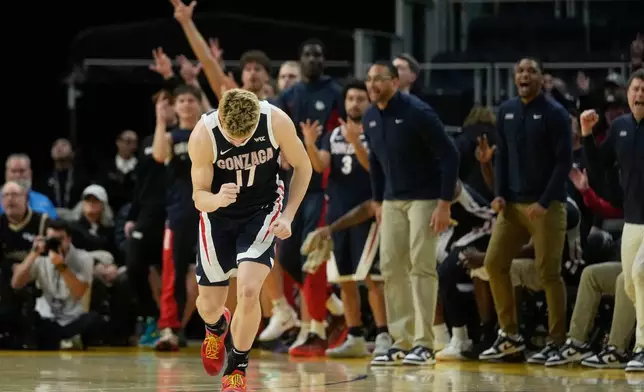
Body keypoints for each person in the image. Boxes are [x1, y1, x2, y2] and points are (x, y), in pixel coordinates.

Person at [188, 88, 312, 390]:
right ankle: (216, 327)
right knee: (208, 304)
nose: (240, 143)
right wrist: (216, 199)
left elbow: (303, 167)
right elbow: (198, 197)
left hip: (261, 210)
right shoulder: (203, 134)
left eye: (245, 138)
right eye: (233, 139)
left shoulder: (276, 121)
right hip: (217, 217)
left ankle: (237, 368)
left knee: (248, 289)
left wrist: (288, 216)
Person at [363, 61, 460, 366]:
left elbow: (449, 155)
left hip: (425, 198)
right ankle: (401, 341)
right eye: (369, 80)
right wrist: (377, 201)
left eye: (379, 79)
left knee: (421, 266)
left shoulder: (418, 111)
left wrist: (444, 203)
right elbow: (376, 162)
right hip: (392, 201)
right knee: (391, 267)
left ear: (394, 81)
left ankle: (425, 343)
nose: (373, 84)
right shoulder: (370, 117)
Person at [479, 57, 572, 363]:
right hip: (513, 206)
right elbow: (502, 157)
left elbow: (563, 164)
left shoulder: (555, 114)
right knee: (493, 264)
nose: (525, 75)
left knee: (549, 273)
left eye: (532, 71)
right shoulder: (505, 111)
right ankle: (510, 335)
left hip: (546, 207)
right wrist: (499, 195)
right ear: (514, 77)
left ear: (542, 78)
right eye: (520, 71)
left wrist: (544, 202)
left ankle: (558, 341)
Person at [300, 79, 390, 358]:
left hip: (367, 212)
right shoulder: (333, 135)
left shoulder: (376, 131)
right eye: (350, 98)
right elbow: (319, 166)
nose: (354, 103)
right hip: (337, 213)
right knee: (346, 278)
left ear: (369, 102)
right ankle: (355, 335)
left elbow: (374, 170)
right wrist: (310, 145)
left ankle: (384, 333)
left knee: (371, 277)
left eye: (360, 99)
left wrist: (356, 142)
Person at [580, 68, 644, 372]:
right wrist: (586, 135)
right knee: (631, 285)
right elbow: (598, 166)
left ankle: (642, 347)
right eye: (635, 90)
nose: (639, 94)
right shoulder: (619, 128)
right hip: (632, 221)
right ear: (627, 95)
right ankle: (628, 349)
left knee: (642, 275)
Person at [151, 84, 204, 350]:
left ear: (198, 104)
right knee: (173, 273)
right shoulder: (172, 136)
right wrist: (160, 120)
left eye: (191, 100)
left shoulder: (209, 131)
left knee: (213, 273)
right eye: (181, 100)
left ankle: (224, 329)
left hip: (210, 210)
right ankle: (169, 329)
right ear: (175, 106)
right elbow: (159, 155)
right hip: (179, 210)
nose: (186, 104)